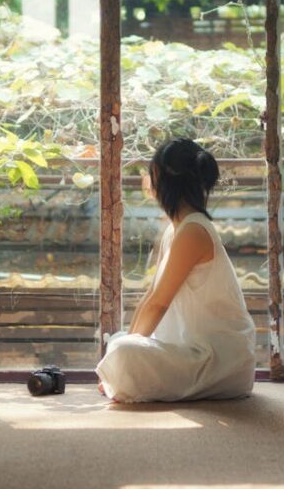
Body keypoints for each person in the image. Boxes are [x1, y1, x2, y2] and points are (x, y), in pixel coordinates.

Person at [95, 138, 256, 403]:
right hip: (194, 353)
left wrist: (122, 358)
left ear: (161, 179)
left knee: (123, 351)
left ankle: (123, 374)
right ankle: (122, 370)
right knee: (120, 343)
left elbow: (158, 303)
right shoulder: (178, 228)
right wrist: (128, 347)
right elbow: (150, 297)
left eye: (150, 173)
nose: (147, 182)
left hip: (218, 360)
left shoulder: (193, 231)